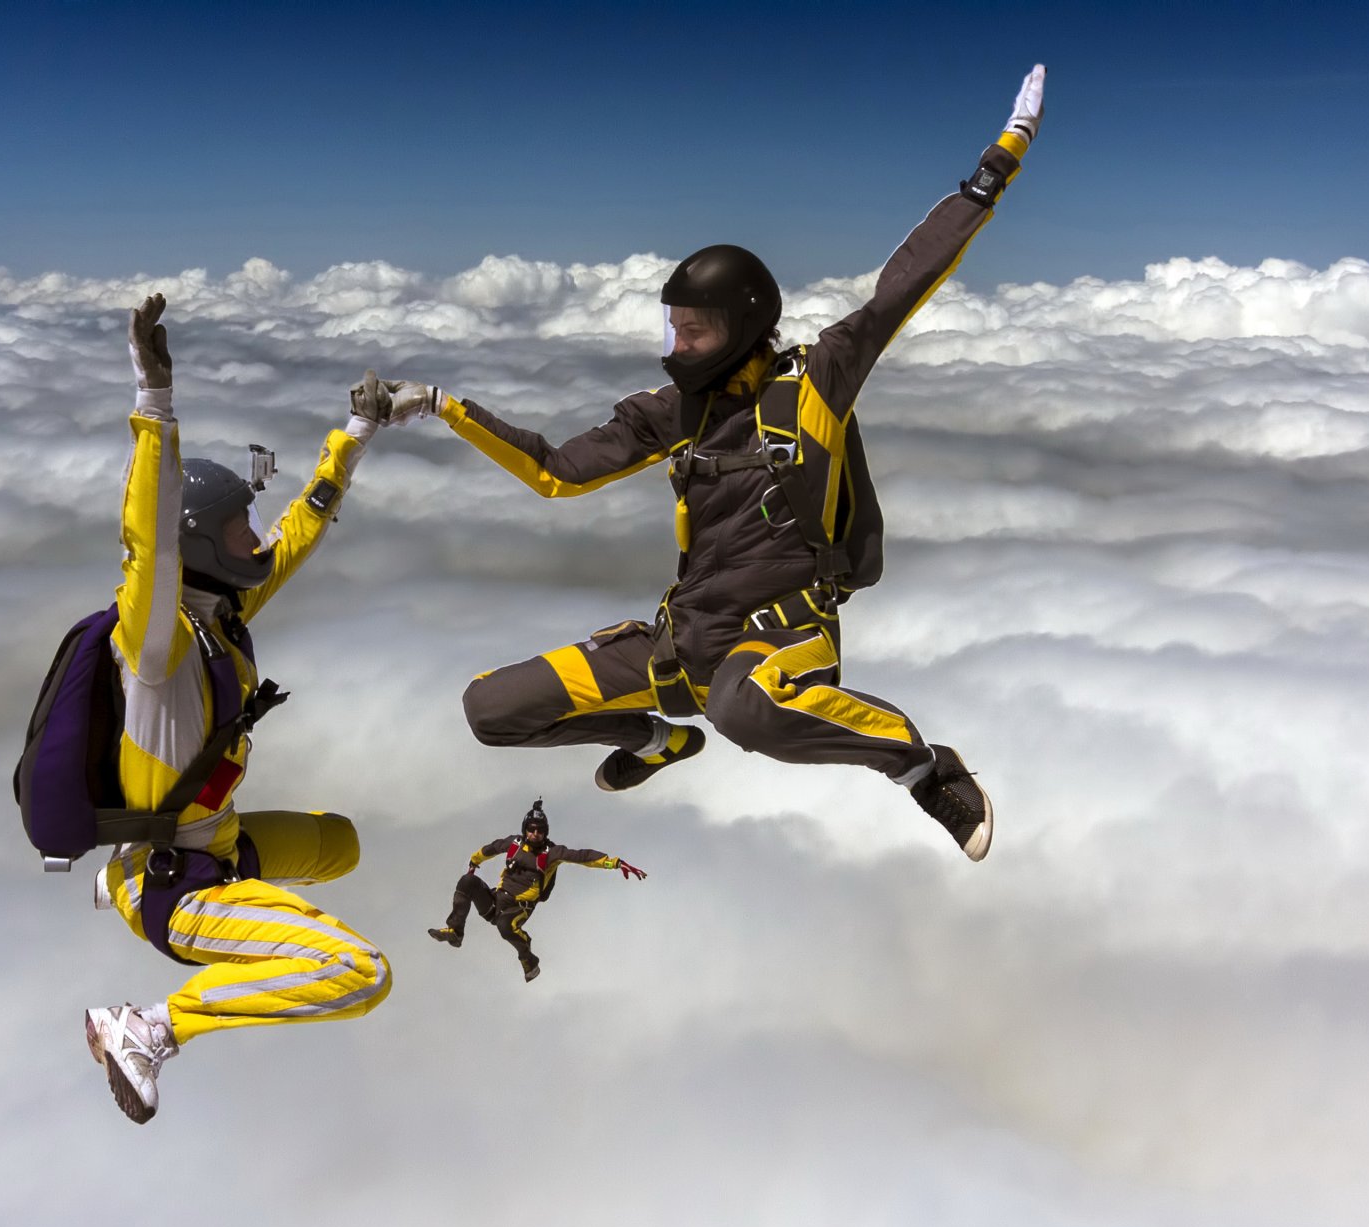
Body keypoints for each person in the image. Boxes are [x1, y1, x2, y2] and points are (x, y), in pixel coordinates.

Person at [360, 66, 1047, 864]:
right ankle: (656, 741)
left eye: (694, 332)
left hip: (779, 630)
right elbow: (555, 471)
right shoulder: (669, 412)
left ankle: (928, 771)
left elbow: (903, 284)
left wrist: (997, 163)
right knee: (492, 710)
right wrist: (446, 405)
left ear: (743, 328)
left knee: (744, 708)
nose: (676, 346)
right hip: (680, 640)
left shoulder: (814, 383)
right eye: (673, 328)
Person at [82, 295, 394, 1124]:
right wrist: (154, 401)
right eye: (238, 529)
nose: (254, 538)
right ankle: (149, 1027)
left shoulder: (215, 619)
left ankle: (242, 892)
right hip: (174, 885)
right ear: (201, 547)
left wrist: (350, 443)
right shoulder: (157, 643)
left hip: (205, 842)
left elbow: (290, 540)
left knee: (342, 847)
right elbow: (149, 539)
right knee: (360, 973)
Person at [427, 799, 646, 983]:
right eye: (531, 829)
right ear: (525, 829)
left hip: (518, 908)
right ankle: (455, 932)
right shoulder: (514, 843)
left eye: (540, 831)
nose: (535, 834)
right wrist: (475, 861)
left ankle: (528, 958)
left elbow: (583, 856)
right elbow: (492, 848)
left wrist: (615, 863)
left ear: (545, 832)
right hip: (495, 902)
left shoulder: (551, 853)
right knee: (467, 882)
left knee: (505, 927)